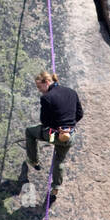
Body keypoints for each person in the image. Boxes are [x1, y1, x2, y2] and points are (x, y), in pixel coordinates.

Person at [25, 70, 84, 200]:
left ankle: (33, 160)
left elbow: (44, 121)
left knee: (30, 132)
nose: (39, 90)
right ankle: (55, 188)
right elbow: (80, 114)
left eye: (40, 87)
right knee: (60, 160)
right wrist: (67, 128)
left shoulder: (46, 98)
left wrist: (57, 127)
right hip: (70, 135)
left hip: (55, 134)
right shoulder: (71, 92)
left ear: (46, 82)